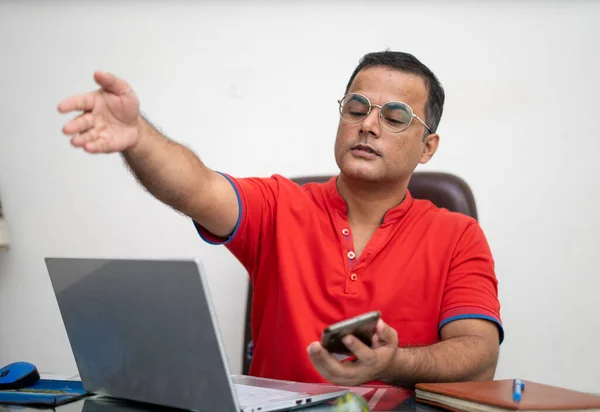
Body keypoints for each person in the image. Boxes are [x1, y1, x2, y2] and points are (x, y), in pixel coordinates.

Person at [57, 51, 502, 387]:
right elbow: (195, 187)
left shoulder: (458, 234)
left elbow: (479, 356)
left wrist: (395, 363)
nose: (368, 125)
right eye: (357, 108)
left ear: (427, 147)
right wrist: (138, 138)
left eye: (395, 116)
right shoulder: (278, 205)